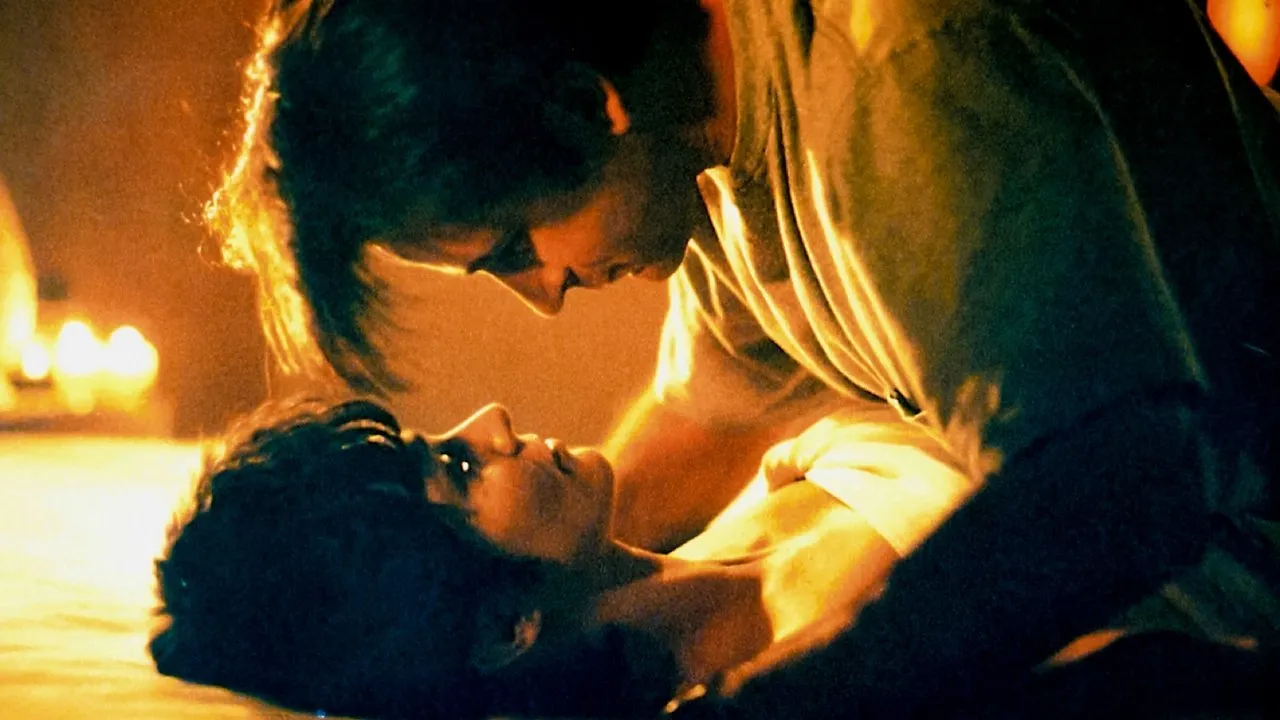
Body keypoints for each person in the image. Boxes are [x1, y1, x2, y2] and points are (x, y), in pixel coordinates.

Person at [208, 0, 1280, 715]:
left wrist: (780, 701)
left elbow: (1121, 491)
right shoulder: (702, 148)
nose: (543, 296)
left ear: (585, 104)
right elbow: (711, 416)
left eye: (514, 248)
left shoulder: (902, 84)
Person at [150, 397, 982, 719]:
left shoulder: (750, 493)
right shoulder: (820, 671)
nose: (492, 419)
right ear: (503, 627)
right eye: (461, 469)